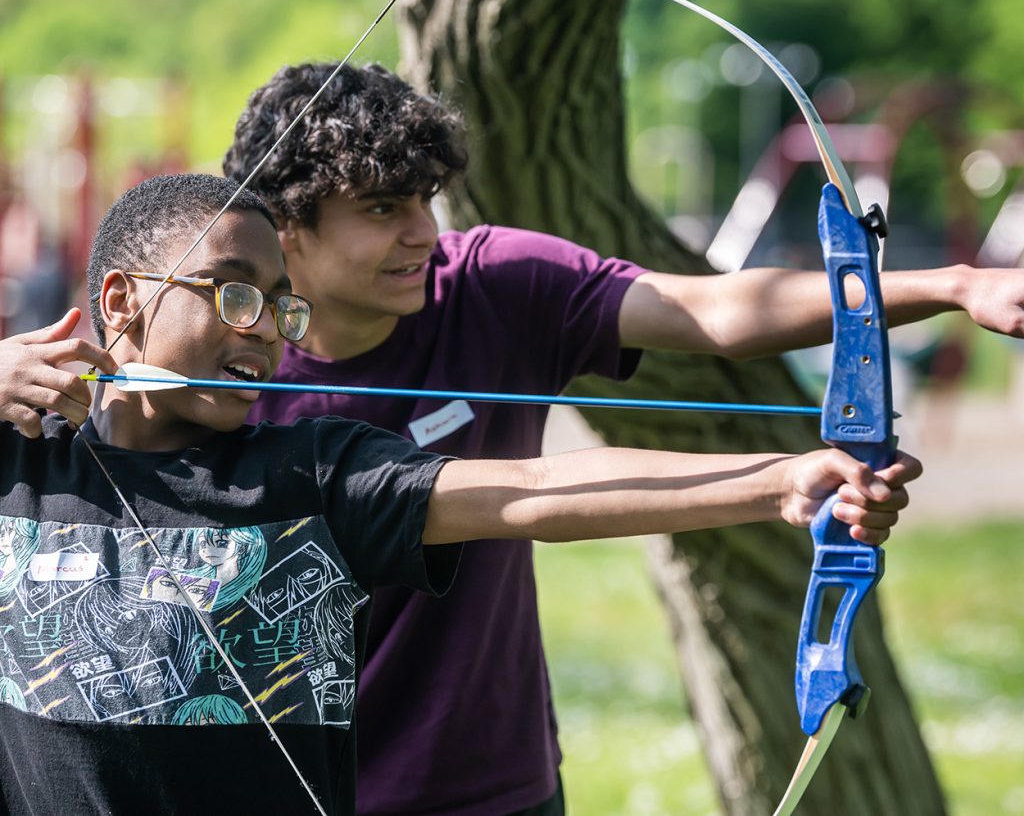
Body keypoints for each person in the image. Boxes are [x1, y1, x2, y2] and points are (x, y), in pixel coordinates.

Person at [221, 61, 1024, 816]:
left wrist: (956, 287)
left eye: (425, 199)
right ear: (285, 227)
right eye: (381, 209)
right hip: (290, 784)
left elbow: (715, 312)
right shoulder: (218, 371)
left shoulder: (492, 282)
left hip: (492, 785)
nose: (422, 232)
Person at [0, 173, 918, 816]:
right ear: (122, 301)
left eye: (284, 307)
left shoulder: (309, 474)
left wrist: (779, 479)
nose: (269, 332)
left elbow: (535, 488)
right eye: (236, 297)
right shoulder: (25, 462)